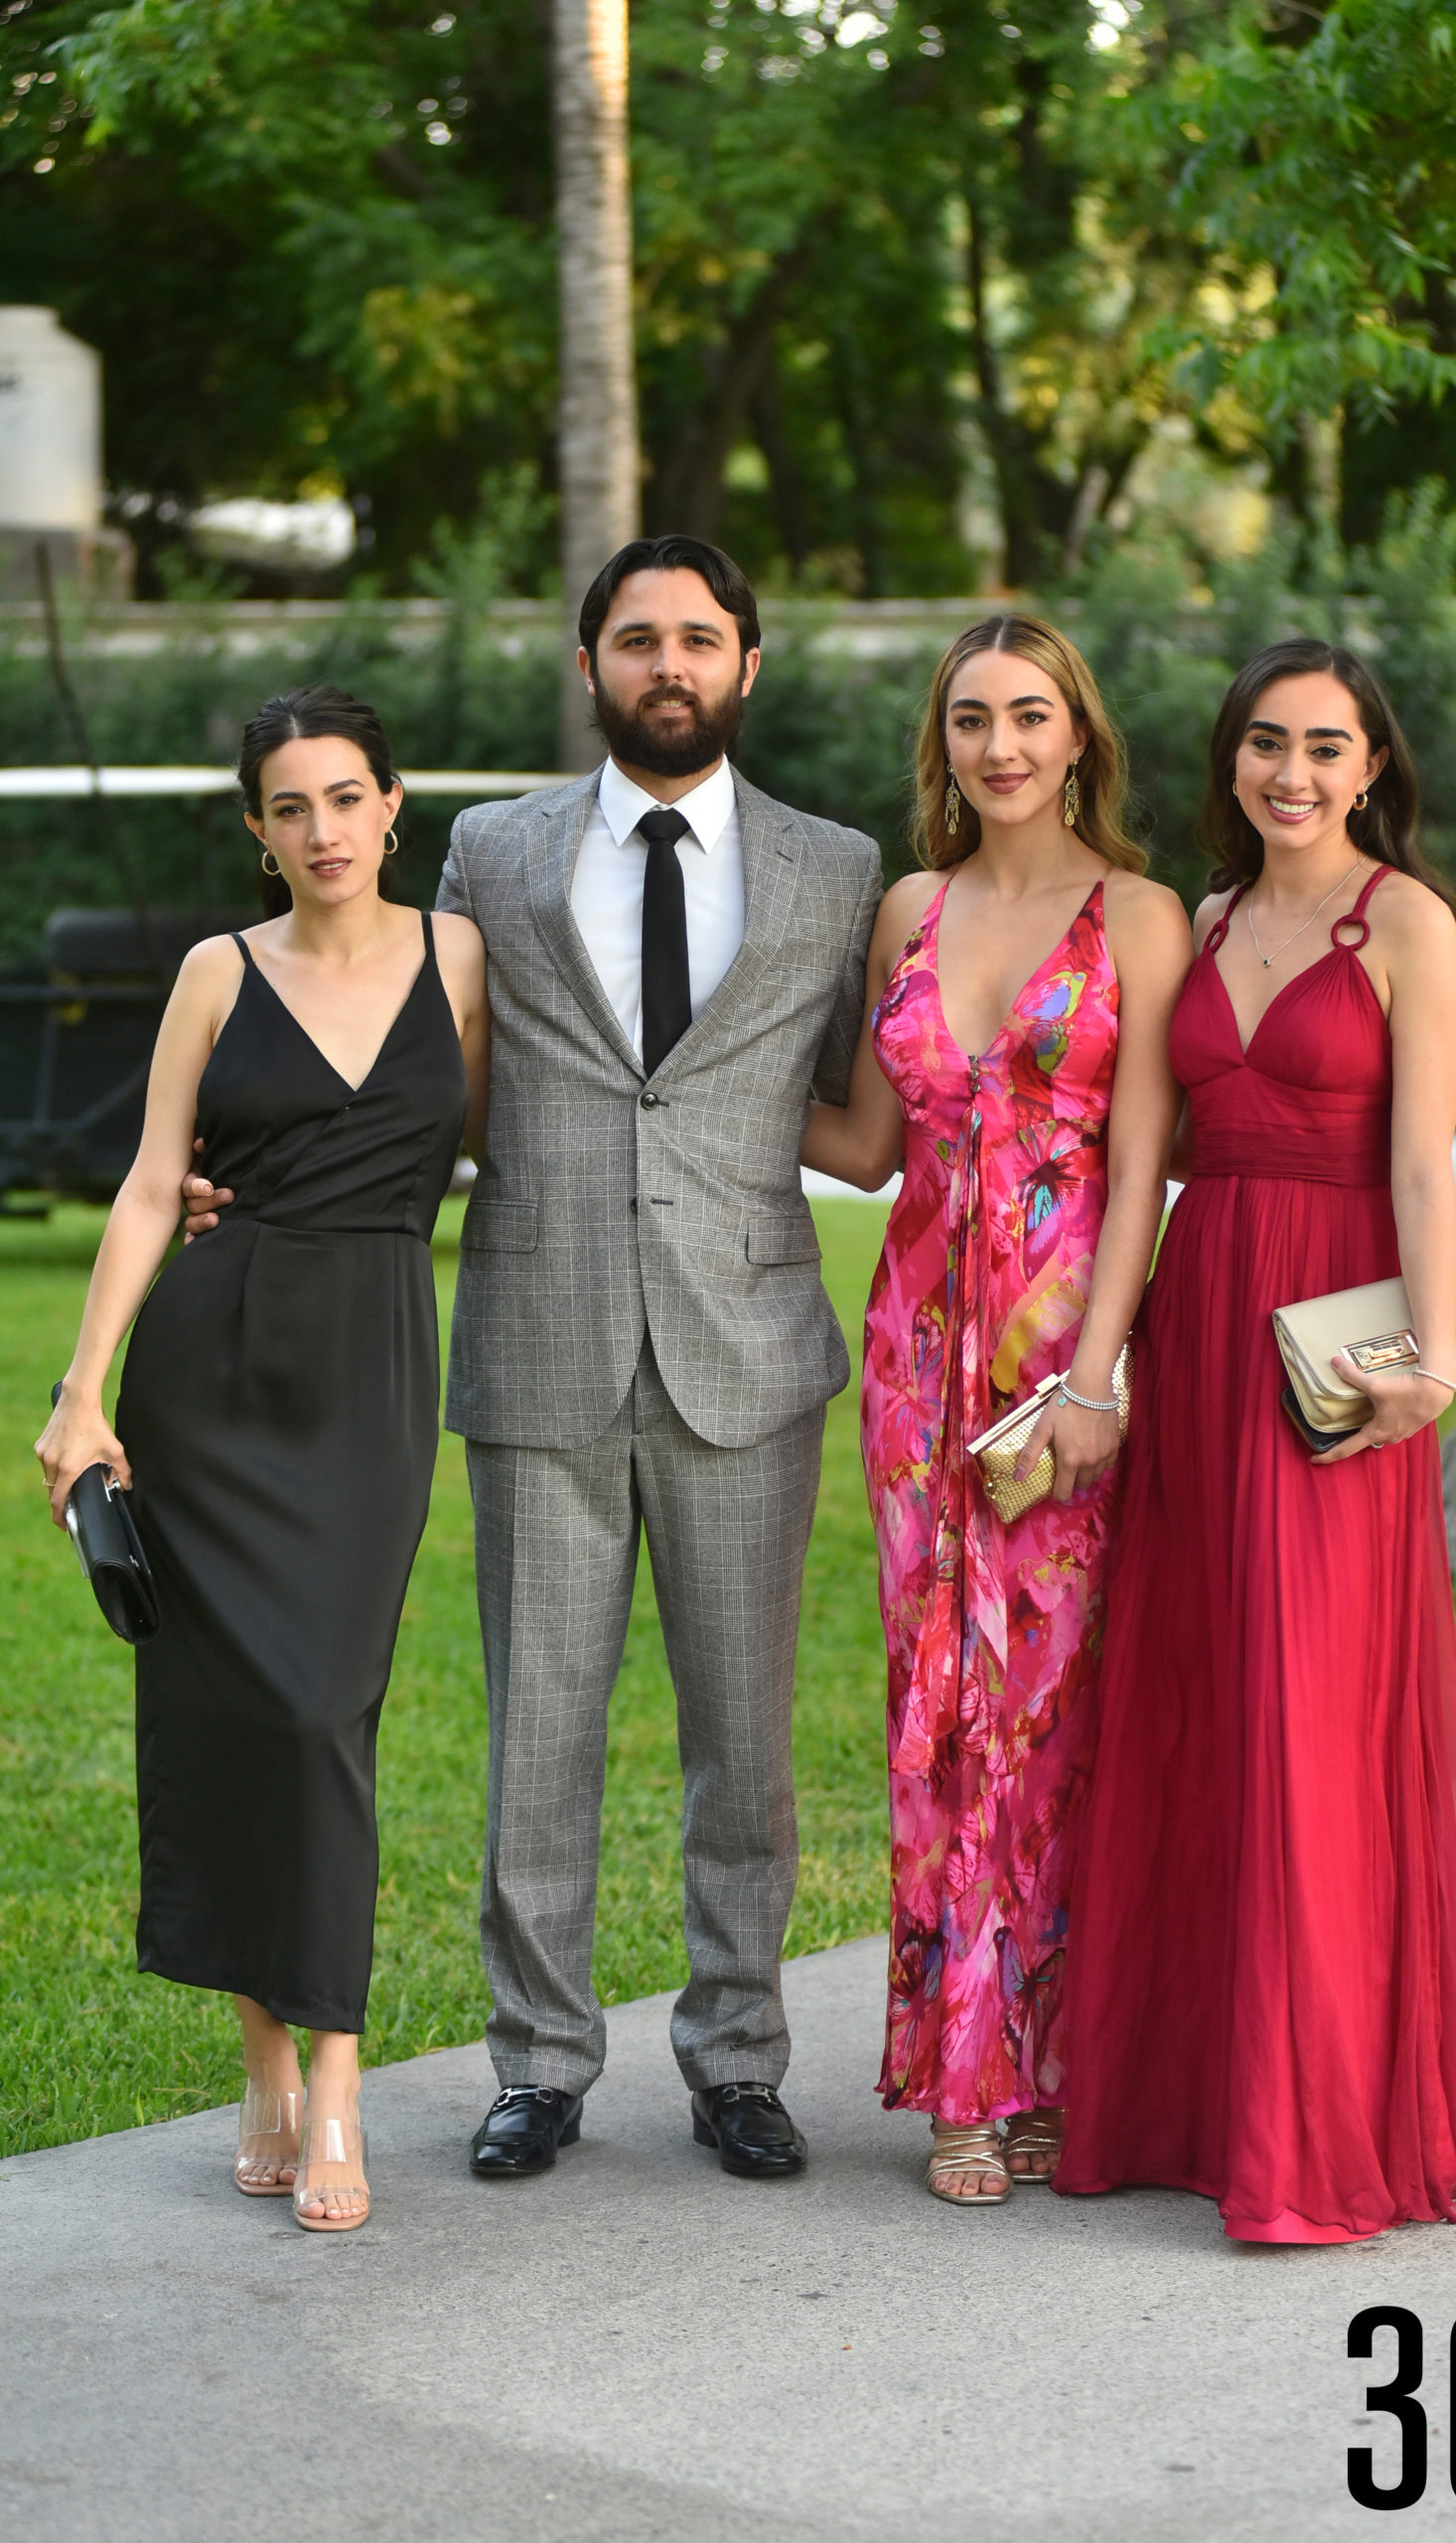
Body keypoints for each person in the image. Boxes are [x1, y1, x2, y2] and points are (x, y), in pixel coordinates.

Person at [188, 536, 884, 2181]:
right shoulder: (491, 855)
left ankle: (736, 2057)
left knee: (746, 1740)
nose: (667, 663)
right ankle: (541, 2063)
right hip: (538, 1330)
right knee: (538, 1730)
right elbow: (406, 1061)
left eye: (698, 639)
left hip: (745, 1349)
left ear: (744, 667)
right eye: (636, 638)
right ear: (590, 666)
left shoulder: (834, 869)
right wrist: (248, 1176)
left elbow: (870, 1106)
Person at [1055, 638, 1456, 2241]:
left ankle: (1316, 2128)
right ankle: (1191, 2102)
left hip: (1334, 1347)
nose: (1291, 773)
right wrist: (1094, 1363)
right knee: (1202, 1702)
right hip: (1197, 1328)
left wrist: (1427, 1362)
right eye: (1265, 744)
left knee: (1311, 1719)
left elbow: (1421, 1173)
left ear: (1371, 766)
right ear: (1230, 763)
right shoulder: (1196, 922)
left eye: (1324, 746)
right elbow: (1138, 1161)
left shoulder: (1405, 925)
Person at [36, 685, 489, 2233]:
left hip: (367, 1367)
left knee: (322, 1713)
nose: (323, 831)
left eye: (346, 798)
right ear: (257, 831)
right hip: (209, 1376)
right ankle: (272, 2072)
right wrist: (84, 1391)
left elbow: (491, 1143)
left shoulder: (459, 956)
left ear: (391, 806)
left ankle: (343, 2079)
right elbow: (158, 1185)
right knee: (234, 1716)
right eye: (290, 808)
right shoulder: (215, 974)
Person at [802, 616, 1191, 2204]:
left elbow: (1146, 1159)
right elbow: (865, 1142)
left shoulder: (1141, 914)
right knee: (936, 1713)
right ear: (942, 744)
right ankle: (962, 2071)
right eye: (970, 721)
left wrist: (1097, 1378)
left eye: (1028, 717)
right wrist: (670, 1084)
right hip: (915, 1357)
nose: (1000, 748)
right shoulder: (908, 904)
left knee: (1050, 1714)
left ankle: (1045, 2063)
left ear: (1078, 734)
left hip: (1056, 1361)